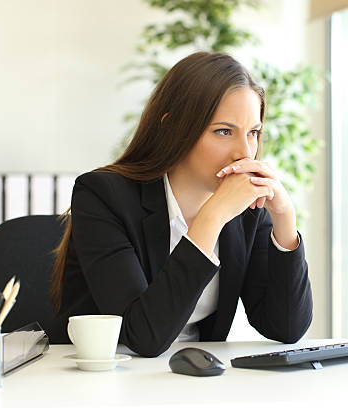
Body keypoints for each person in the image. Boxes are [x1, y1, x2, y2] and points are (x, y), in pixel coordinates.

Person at [48, 52, 313, 357]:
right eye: (224, 131)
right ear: (173, 127)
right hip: (101, 378)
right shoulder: (103, 195)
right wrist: (212, 216)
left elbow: (287, 327)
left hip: (189, 379)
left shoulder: (246, 209)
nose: (245, 152)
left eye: (253, 132)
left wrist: (284, 219)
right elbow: (142, 337)